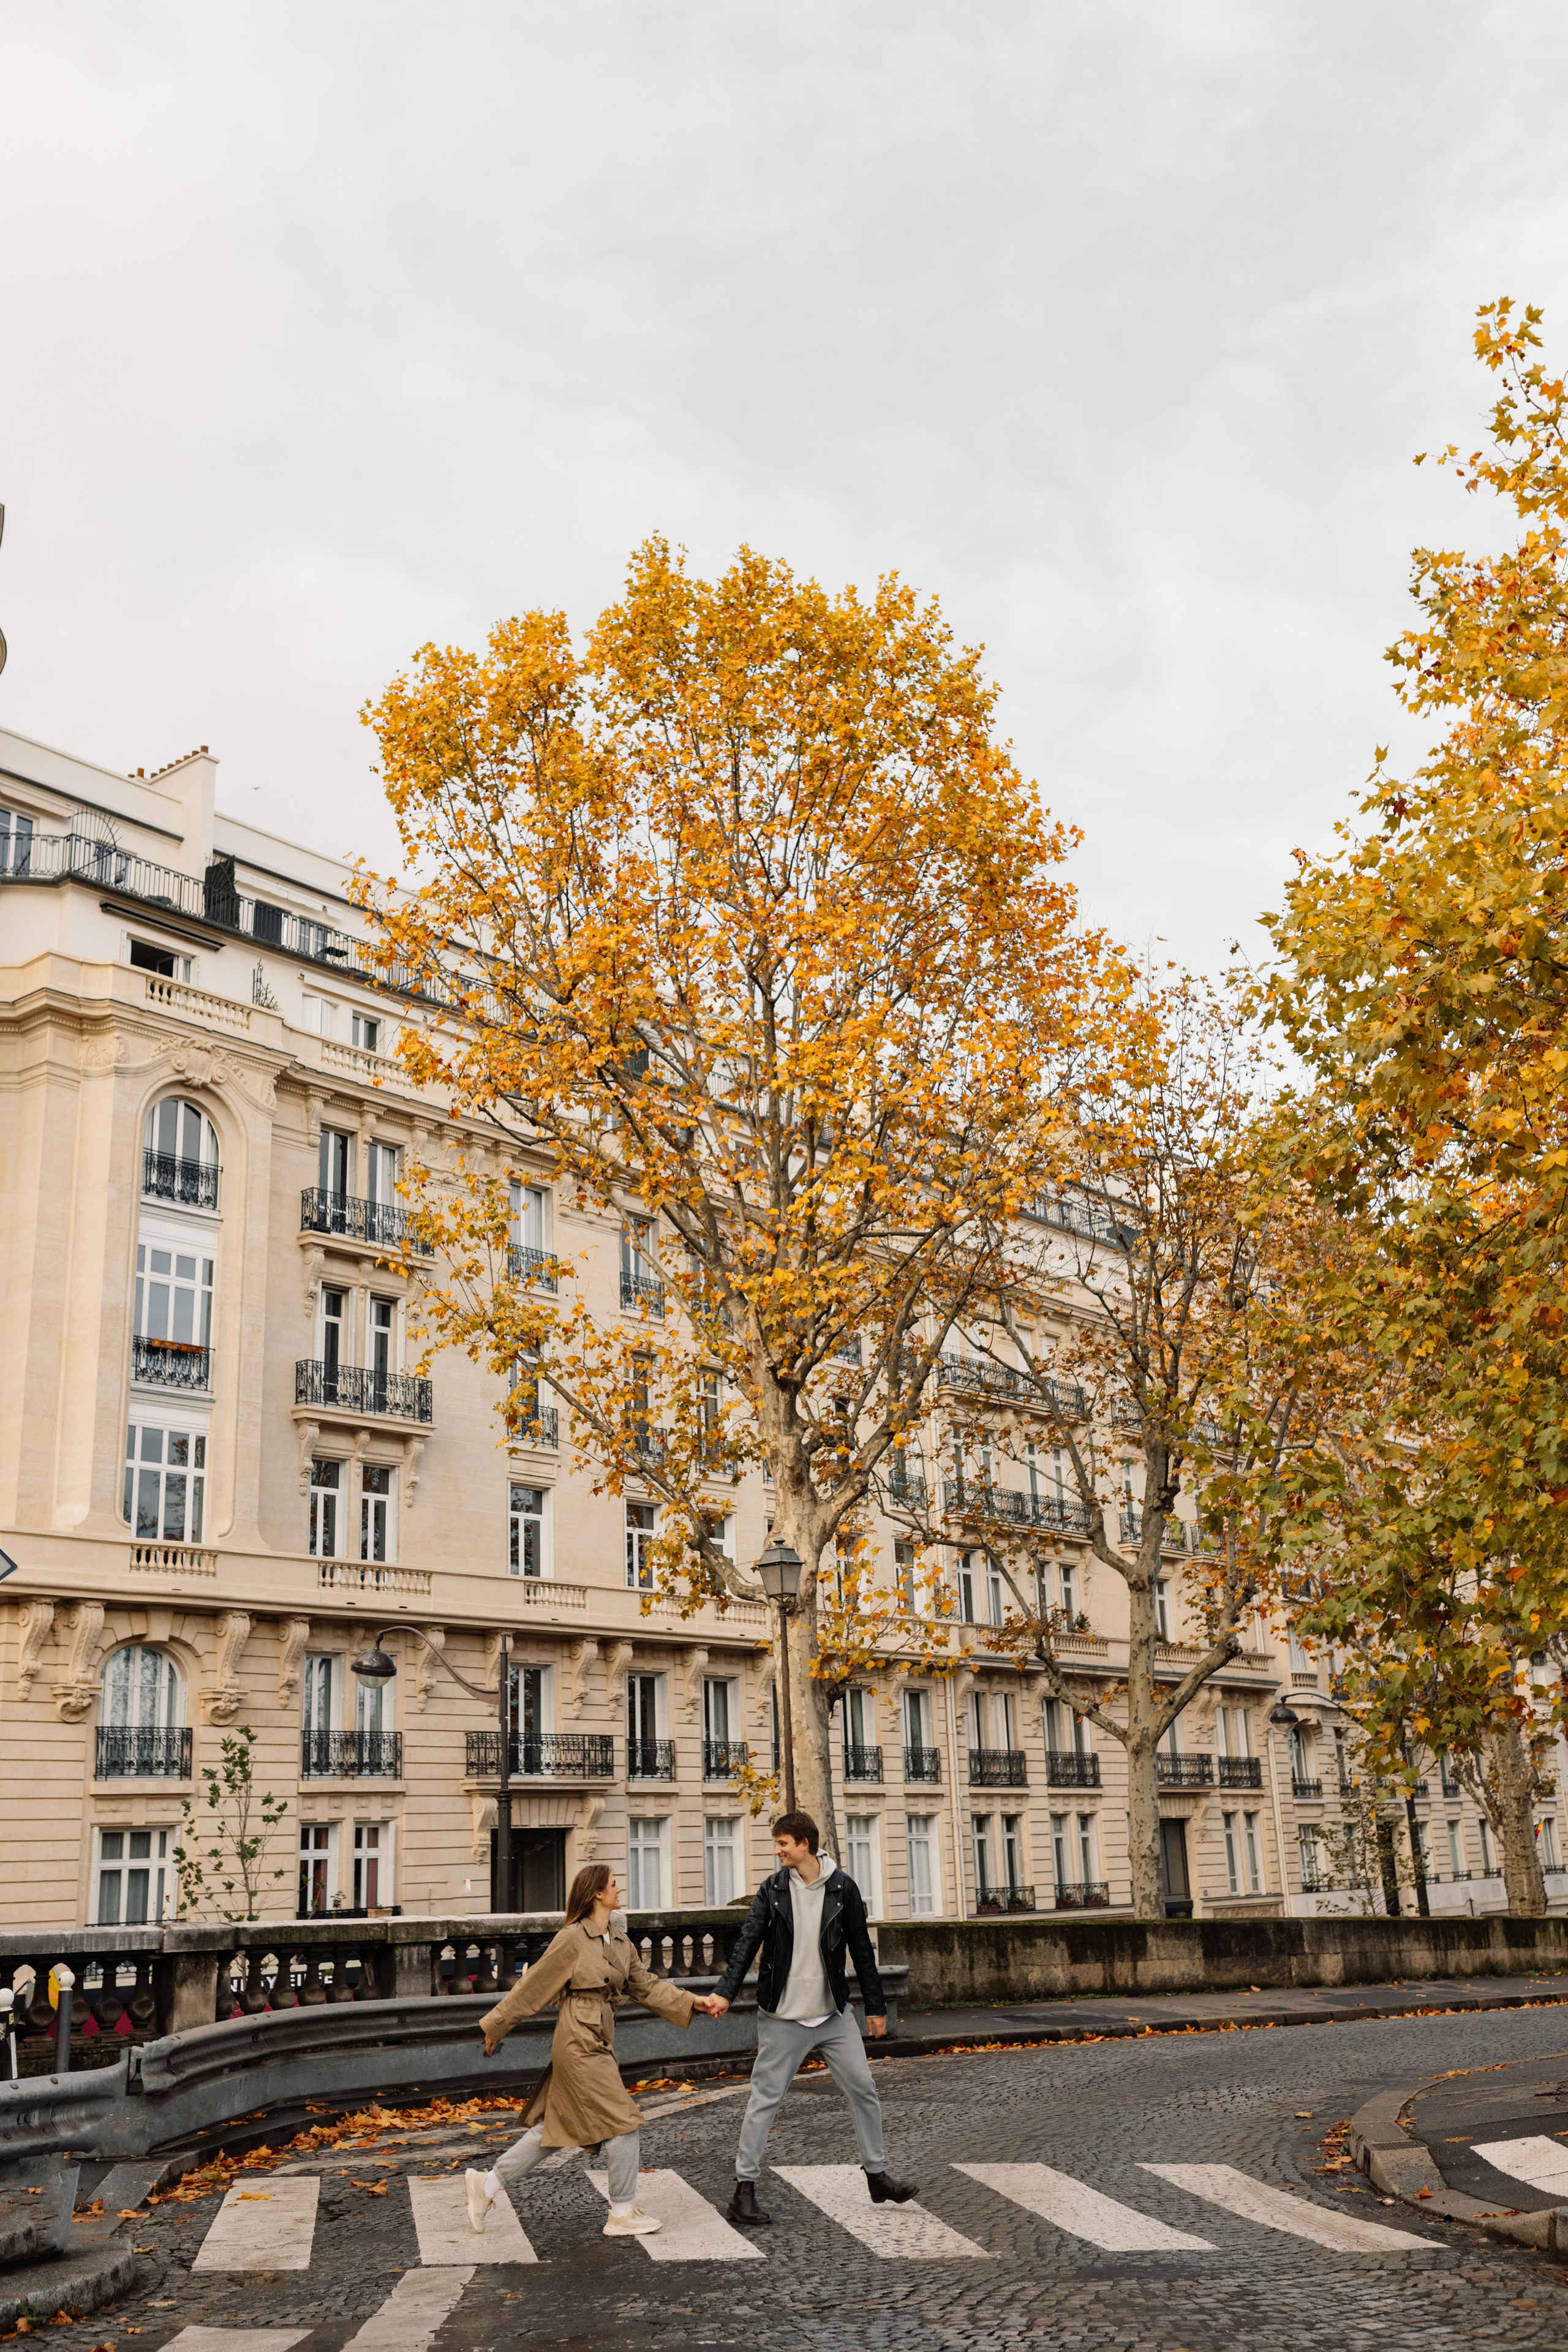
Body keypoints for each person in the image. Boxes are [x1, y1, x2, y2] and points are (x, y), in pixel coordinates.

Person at [468, 1861, 724, 2239]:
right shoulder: (572, 1938)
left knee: (554, 2129)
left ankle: (486, 2185)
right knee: (624, 2122)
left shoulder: (619, 1940)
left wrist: (694, 2002)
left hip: (598, 2037)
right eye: (614, 1886)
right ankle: (621, 2212)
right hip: (577, 2040)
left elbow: (648, 1986)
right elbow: (533, 1986)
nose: (620, 1890)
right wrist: (497, 2024)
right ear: (597, 1894)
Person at [709, 1809, 915, 2225]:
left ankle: (877, 2178)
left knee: (864, 2089)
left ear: (804, 1844)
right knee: (765, 2101)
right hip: (782, 2015)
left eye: (783, 1843)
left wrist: (874, 2007)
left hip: (832, 2014)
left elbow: (861, 1947)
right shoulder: (773, 1890)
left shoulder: (843, 1888)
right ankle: (743, 2191)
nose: (777, 1850)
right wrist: (725, 1993)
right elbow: (747, 1944)